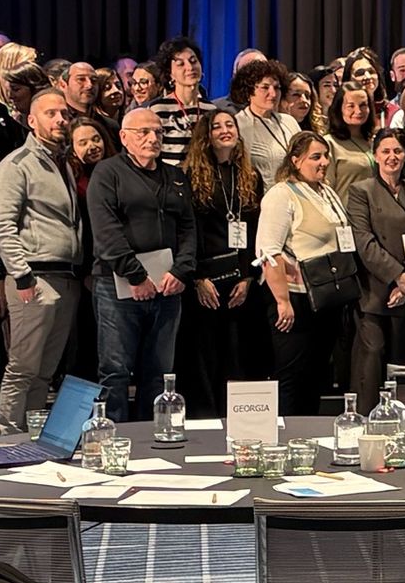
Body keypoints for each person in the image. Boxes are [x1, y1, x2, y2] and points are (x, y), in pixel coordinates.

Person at [88, 106, 196, 421]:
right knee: (116, 370)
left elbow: (189, 228)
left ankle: (153, 434)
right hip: (118, 286)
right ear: (124, 137)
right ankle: (114, 436)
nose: (153, 138)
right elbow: (106, 231)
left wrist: (181, 270)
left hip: (167, 286)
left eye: (158, 132)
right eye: (144, 132)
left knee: (160, 371)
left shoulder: (175, 176)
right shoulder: (107, 173)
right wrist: (136, 276)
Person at [0, 90, 82, 432]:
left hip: (66, 276)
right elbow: (1, 226)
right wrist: (22, 276)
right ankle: (7, 439)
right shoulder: (17, 165)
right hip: (35, 276)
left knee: (45, 371)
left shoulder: (62, 163)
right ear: (31, 120)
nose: (60, 119)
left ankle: (31, 439)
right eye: (51, 113)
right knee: (23, 368)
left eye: (64, 114)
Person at [254, 132, 349, 412]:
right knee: (292, 375)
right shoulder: (281, 195)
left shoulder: (327, 192)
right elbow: (269, 252)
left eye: (325, 156)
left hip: (325, 298)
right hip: (294, 299)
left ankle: (310, 431)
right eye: (315, 157)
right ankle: (287, 432)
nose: (324, 162)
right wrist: (283, 301)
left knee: (317, 375)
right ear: (295, 160)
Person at [180, 110, 265, 415]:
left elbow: (254, 229)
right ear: (206, 135)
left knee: (236, 352)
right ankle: (204, 417)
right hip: (204, 279)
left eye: (230, 125)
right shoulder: (190, 176)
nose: (225, 130)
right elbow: (188, 230)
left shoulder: (250, 175)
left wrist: (248, 276)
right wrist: (197, 278)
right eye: (217, 126)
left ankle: (235, 419)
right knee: (203, 354)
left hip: (239, 278)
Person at [346, 129, 405, 398]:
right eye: (385, 151)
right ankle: (364, 417)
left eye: (397, 151)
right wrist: (397, 276)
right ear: (375, 155)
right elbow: (364, 241)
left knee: (403, 363)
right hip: (373, 291)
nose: (392, 156)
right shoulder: (361, 191)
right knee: (371, 357)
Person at [230, 58, 301, 183]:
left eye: (277, 88)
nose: (273, 94)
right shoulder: (238, 125)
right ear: (249, 91)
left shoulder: (289, 122)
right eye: (265, 87)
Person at [148, 36, 216, 167]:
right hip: (169, 177)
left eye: (193, 61)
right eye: (180, 64)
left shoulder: (211, 109)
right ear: (170, 74)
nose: (190, 67)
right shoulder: (158, 109)